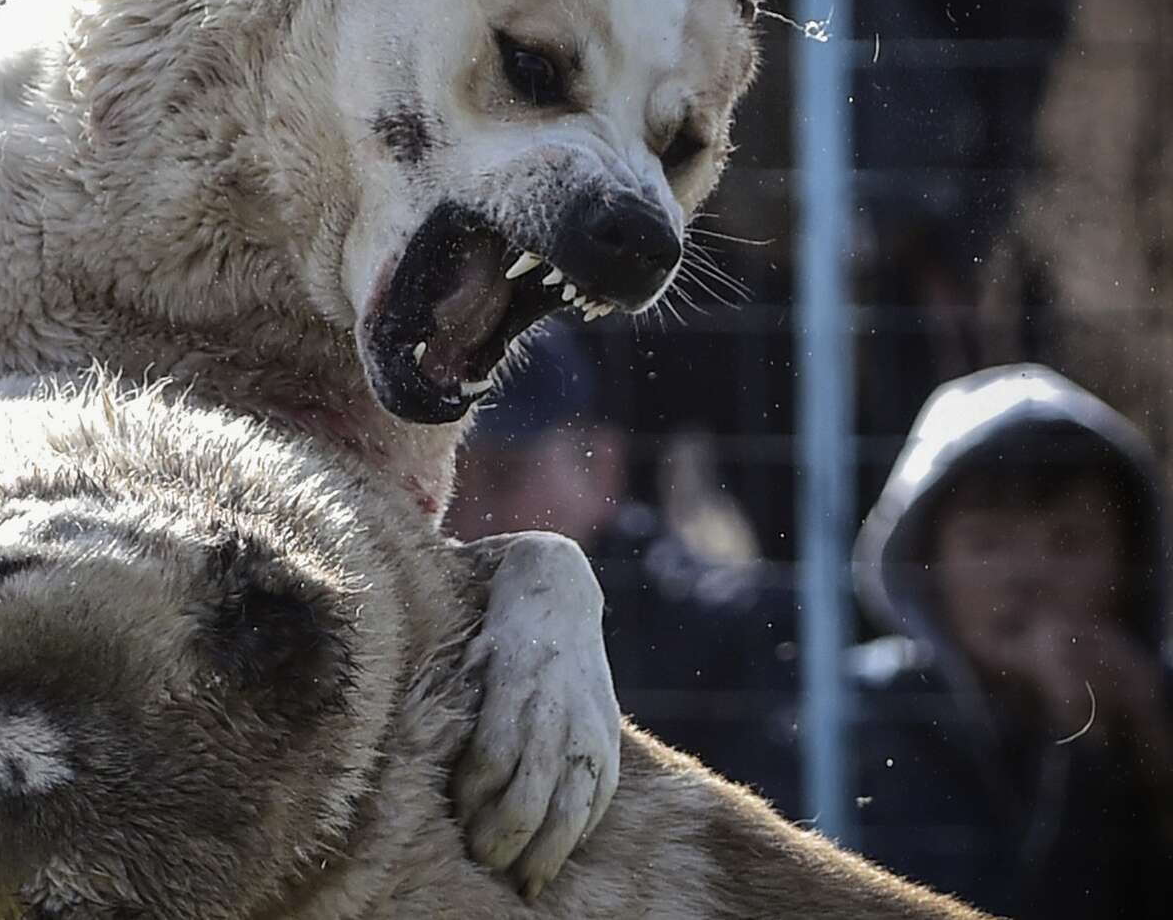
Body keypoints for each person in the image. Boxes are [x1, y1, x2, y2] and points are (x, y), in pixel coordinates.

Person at [849, 364, 1173, 919]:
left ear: (1131, 562)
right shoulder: (874, 717)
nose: (1025, 576)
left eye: (1068, 541)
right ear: (927, 565)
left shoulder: (1159, 702)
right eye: (985, 543)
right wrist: (1084, 747)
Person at [446, 328, 800, 813]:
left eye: (505, 474)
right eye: (454, 476)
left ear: (601, 466)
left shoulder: (728, 634)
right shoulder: (425, 620)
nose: (473, 512)